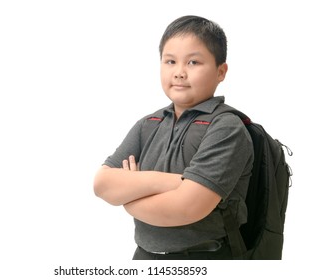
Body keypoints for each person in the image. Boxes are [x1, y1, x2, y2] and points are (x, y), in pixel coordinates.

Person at [93, 15, 254, 260]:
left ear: (221, 71)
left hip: (205, 259)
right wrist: (176, 182)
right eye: (170, 61)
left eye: (193, 62)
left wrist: (129, 198)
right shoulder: (149, 124)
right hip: (144, 256)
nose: (179, 73)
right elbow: (102, 184)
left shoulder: (226, 128)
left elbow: (186, 207)